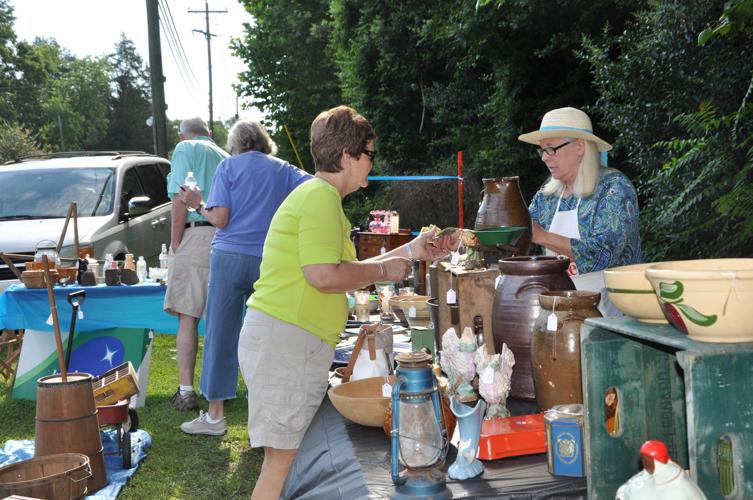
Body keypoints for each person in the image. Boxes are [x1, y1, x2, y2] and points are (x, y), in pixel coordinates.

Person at [238, 105, 459, 499]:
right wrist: (382, 272)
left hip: (287, 338)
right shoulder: (320, 197)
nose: (372, 163)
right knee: (280, 463)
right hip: (286, 341)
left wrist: (409, 252)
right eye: (369, 154)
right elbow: (324, 276)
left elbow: (343, 267)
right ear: (347, 156)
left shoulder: (319, 197)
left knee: (283, 460)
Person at [176, 119, 312, 435]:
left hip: (228, 258)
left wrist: (197, 204)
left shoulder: (229, 167)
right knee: (267, 336)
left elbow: (220, 218)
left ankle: (215, 416)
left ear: (236, 142)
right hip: (270, 260)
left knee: (221, 335)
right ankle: (263, 412)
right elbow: (315, 188)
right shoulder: (284, 169)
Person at [519, 106, 642, 276]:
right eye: (542, 149)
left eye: (551, 149)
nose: (544, 157)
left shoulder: (614, 189)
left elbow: (603, 255)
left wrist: (542, 236)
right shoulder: (547, 197)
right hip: (559, 298)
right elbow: (520, 232)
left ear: (580, 147)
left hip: (610, 299)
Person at [164, 116, 229, 411]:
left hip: (197, 234)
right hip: (227, 238)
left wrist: (176, 243)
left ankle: (187, 391)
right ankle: (219, 391)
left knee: (188, 316)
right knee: (221, 320)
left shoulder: (185, 149)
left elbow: (181, 197)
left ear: (181, 136)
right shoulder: (228, 156)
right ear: (211, 134)